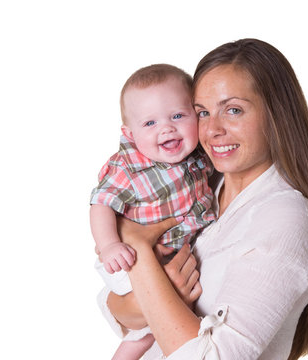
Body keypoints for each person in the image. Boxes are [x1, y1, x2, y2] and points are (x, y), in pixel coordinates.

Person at [98, 38, 308, 359]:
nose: (212, 129)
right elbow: (113, 306)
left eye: (234, 110)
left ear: (276, 114)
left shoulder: (284, 219)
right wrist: (156, 291)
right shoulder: (199, 188)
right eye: (202, 112)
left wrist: (139, 249)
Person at [89, 64, 216, 359]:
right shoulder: (129, 166)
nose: (166, 128)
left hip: (169, 255)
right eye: (150, 124)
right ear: (129, 133)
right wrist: (110, 245)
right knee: (147, 326)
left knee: (156, 329)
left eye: (178, 116)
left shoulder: (197, 155)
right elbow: (101, 203)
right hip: (126, 258)